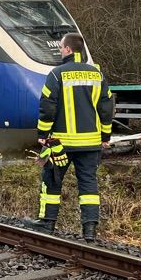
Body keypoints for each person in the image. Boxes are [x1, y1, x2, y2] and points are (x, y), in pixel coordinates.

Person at [36, 33, 114, 242]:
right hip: (90, 144)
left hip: (61, 143)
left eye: (61, 47)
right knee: (88, 185)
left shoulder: (56, 74)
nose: (60, 50)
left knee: (52, 180)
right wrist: (105, 135)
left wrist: (43, 134)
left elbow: (47, 106)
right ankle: (89, 231)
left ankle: (48, 224)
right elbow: (107, 108)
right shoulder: (97, 75)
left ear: (69, 50)